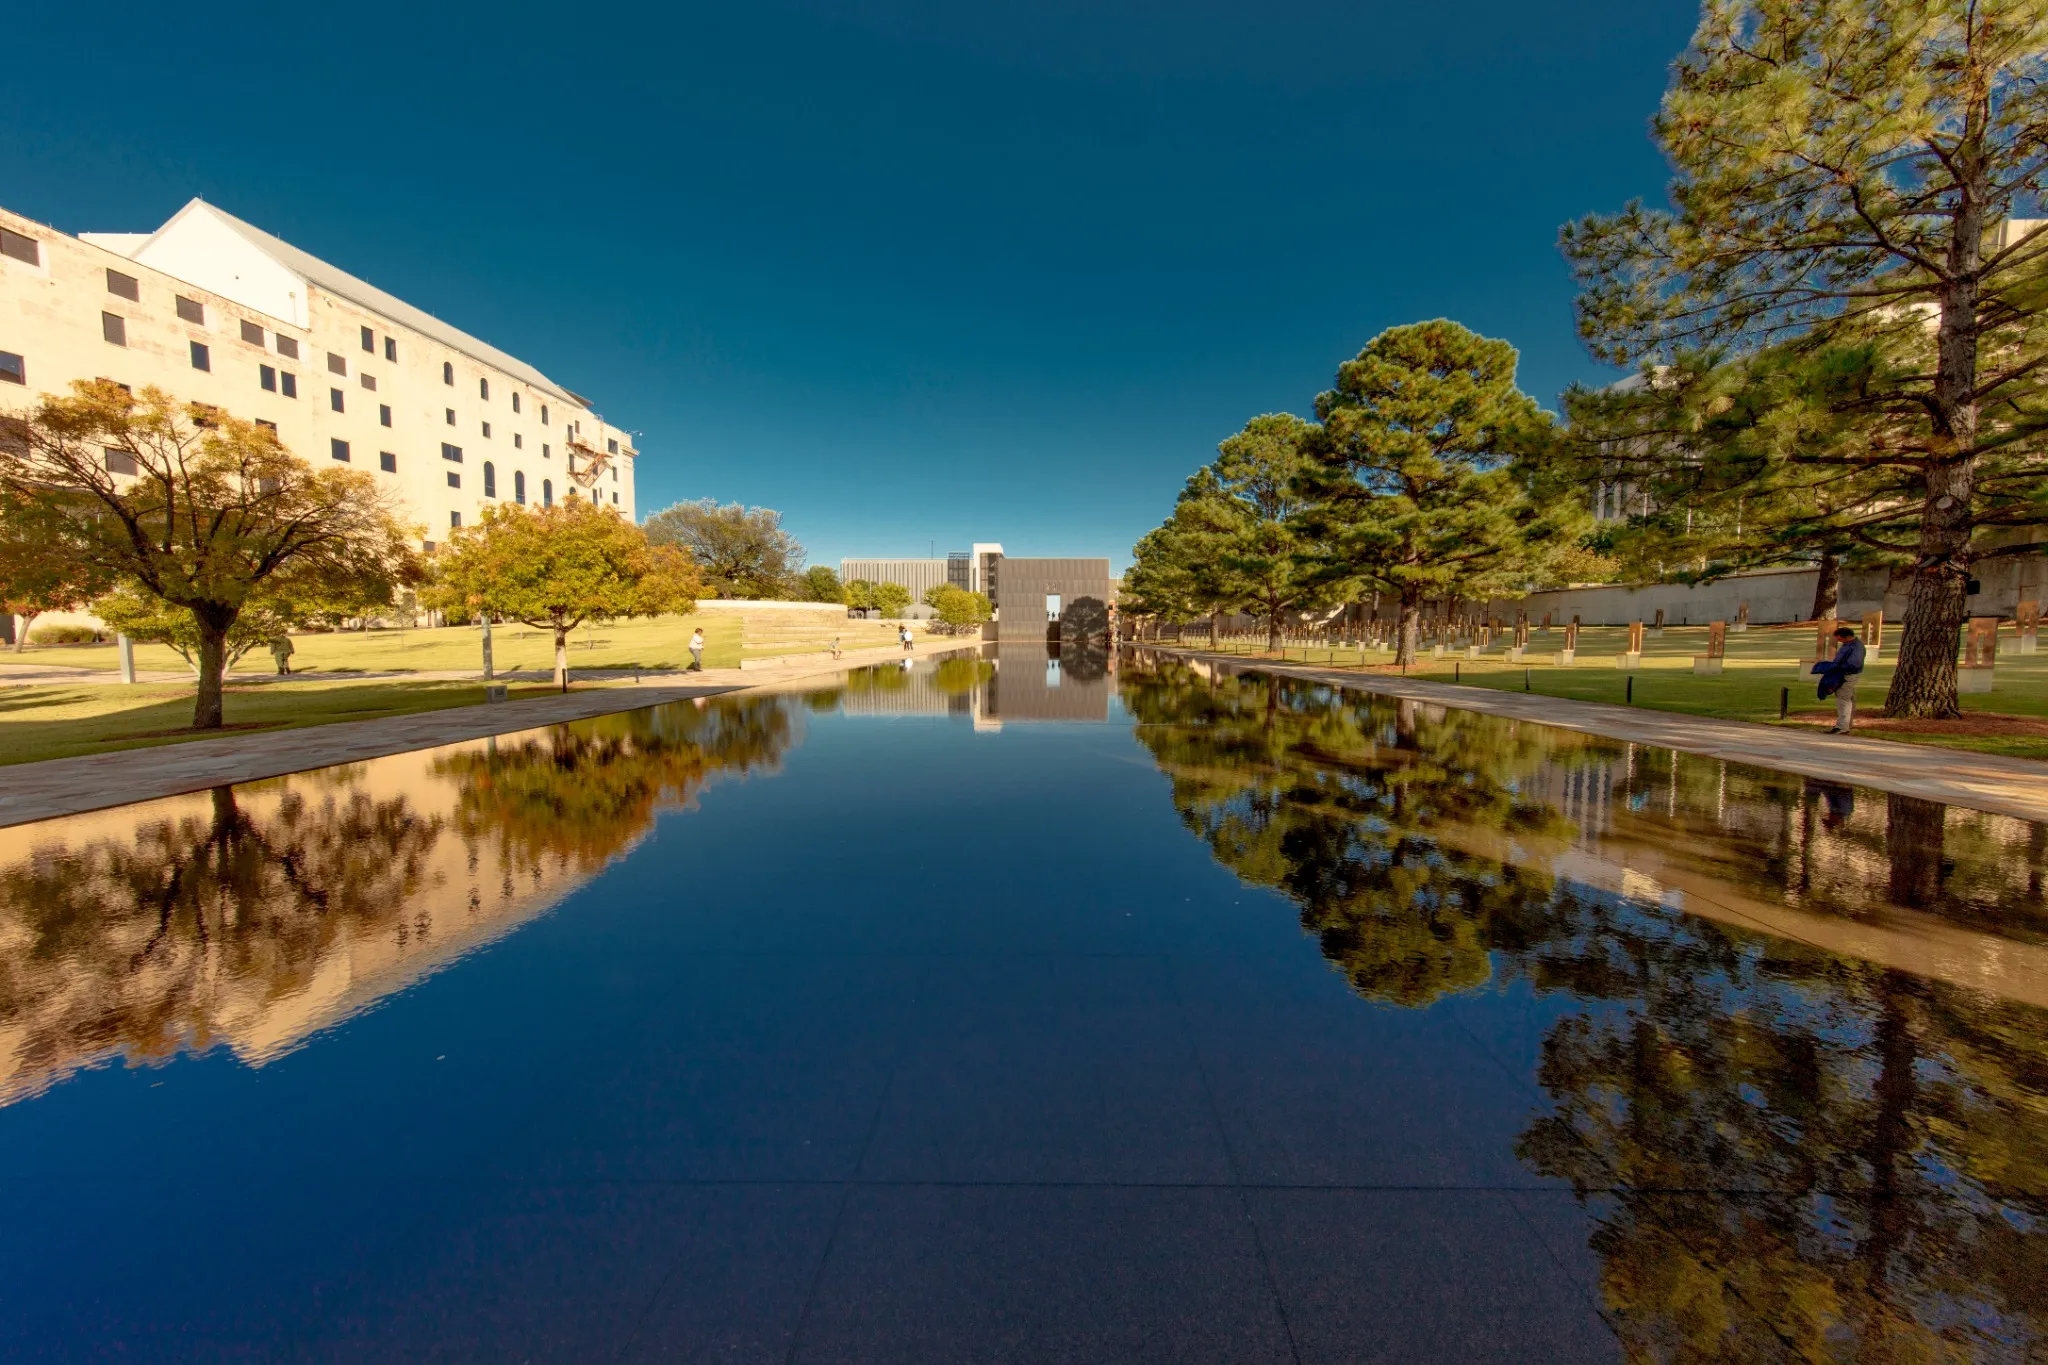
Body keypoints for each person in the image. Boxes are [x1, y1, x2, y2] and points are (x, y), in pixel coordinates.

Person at [1815, 624, 1866, 733]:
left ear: (1847, 636)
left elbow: (1854, 664)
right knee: (1846, 698)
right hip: (1842, 673)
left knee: (1843, 699)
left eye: (1840, 639)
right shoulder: (1847, 644)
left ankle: (1842, 727)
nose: (1839, 641)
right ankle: (1845, 724)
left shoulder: (1856, 647)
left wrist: (1836, 666)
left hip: (1848, 674)